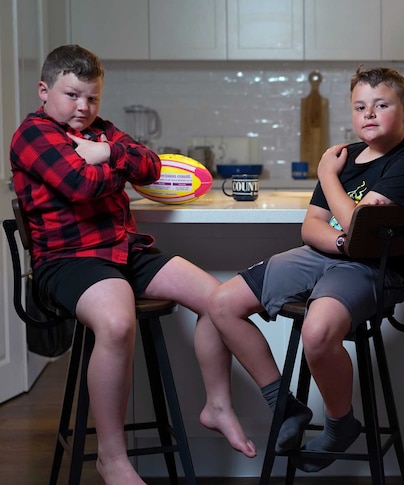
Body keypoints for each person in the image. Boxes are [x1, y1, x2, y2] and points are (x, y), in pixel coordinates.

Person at [9, 45, 253, 485]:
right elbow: (80, 186)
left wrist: (105, 155)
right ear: (44, 91)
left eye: (92, 98)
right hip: (67, 261)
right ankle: (112, 457)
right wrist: (123, 165)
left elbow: (153, 164)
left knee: (222, 298)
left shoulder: (101, 132)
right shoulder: (33, 135)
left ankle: (217, 406)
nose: (83, 107)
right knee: (118, 321)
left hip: (125, 250)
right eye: (72, 95)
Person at [206, 66, 404, 472]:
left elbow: (357, 228)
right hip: (327, 255)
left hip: (375, 268)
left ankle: (340, 425)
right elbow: (311, 226)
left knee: (316, 332)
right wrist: (342, 239)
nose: (369, 114)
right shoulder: (345, 156)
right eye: (360, 106)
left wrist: (328, 177)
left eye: (381, 105)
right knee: (222, 303)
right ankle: (284, 404)